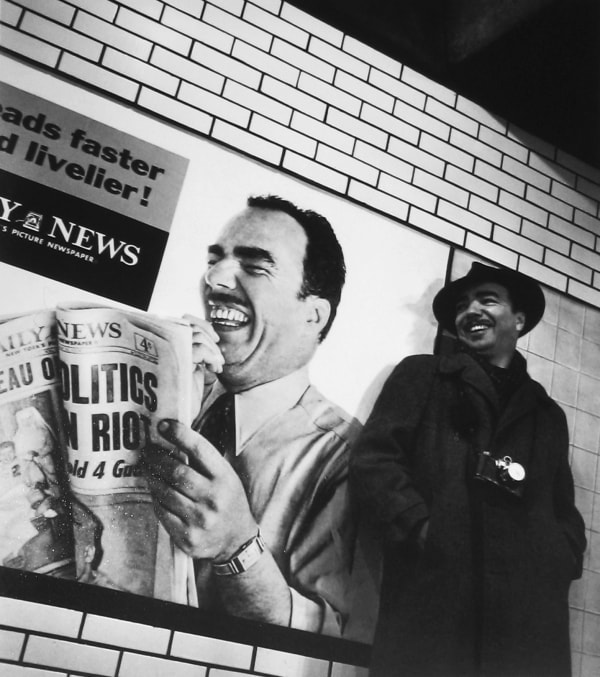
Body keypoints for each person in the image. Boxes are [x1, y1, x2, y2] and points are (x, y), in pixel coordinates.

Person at [350, 262, 586, 677]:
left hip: (526, 617)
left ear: (519, 319)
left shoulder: (547, 414)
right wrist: (424, 530)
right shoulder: (423, 376)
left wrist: (558, 558)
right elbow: (374, 461)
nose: (471, 310)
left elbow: (563, 507)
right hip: (438, 599)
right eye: (463, 304)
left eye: (487, 300)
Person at [144, 195, 361, 635]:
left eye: (255, 265)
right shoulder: (178, 396)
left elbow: (340, 642)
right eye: (216, 260)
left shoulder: (349, 459)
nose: (215, 277)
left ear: (314, 316)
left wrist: (237, 550)